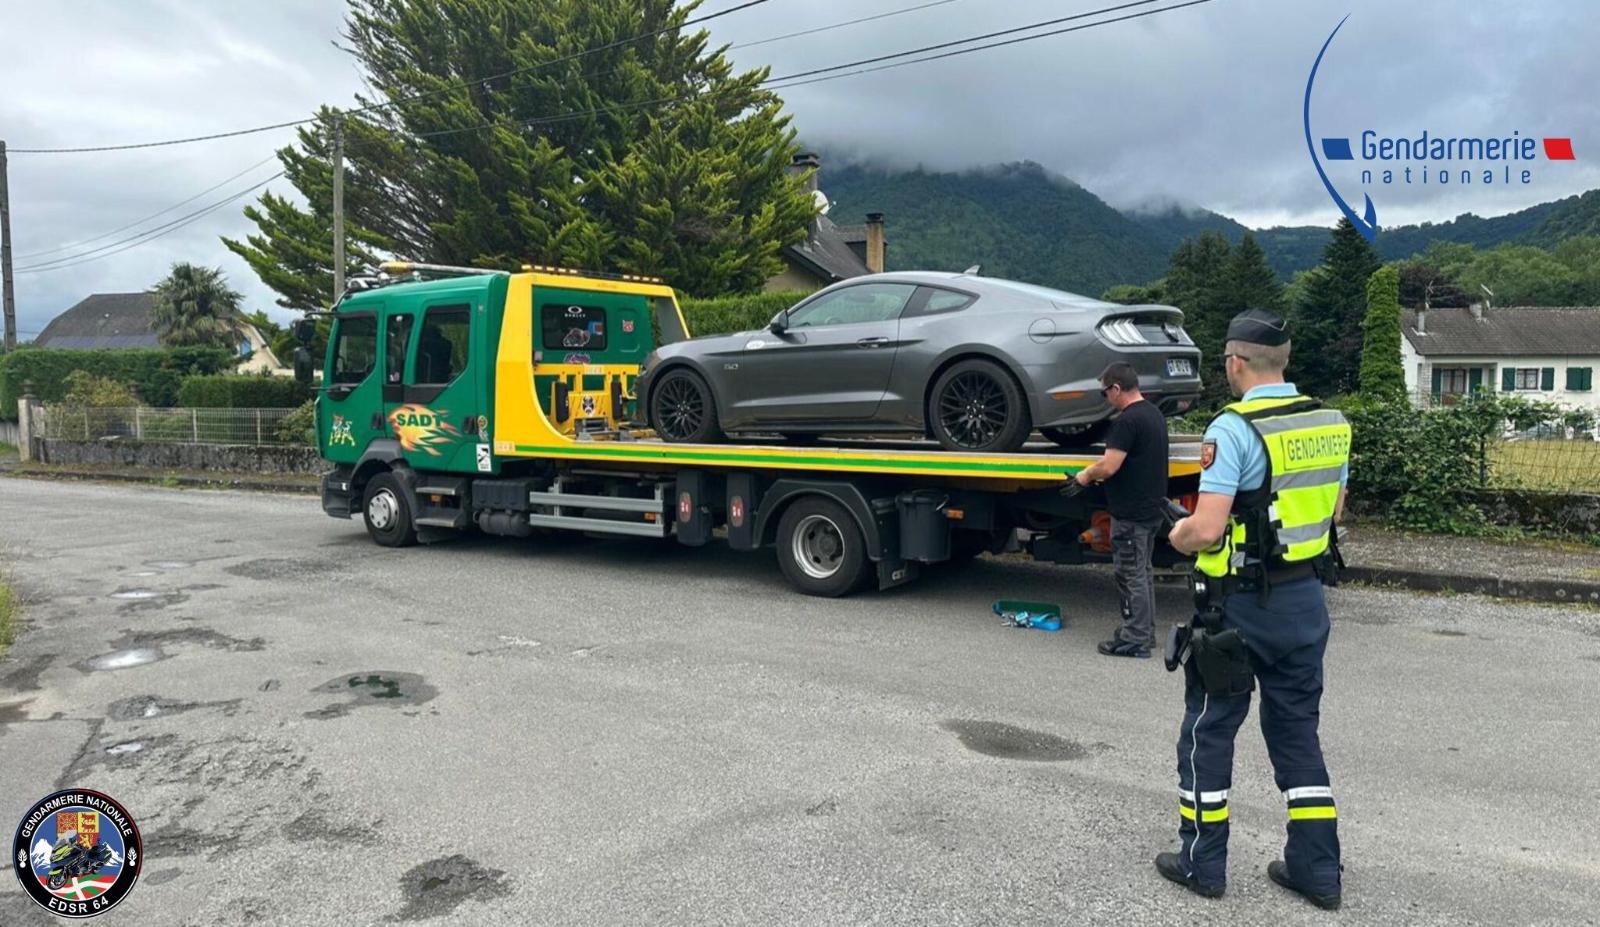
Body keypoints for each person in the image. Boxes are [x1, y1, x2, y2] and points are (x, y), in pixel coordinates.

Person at [1159, 308, 1351, 910]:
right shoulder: (1331, 422)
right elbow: (1334, 514)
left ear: (1235, 363)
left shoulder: (1233, 428)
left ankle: (1201, 864)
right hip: (1305, 603)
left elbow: (1209, 529)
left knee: (1210, 728)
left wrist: (1179, 534)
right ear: (1285, 360)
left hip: (1238, 611)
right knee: (1298, 735)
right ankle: (1317, 872)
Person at [1073, 362, 1170, 659]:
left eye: (1105, 393)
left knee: (1130, 574)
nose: (1105, 399)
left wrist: (1085, 475)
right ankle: (1144, 632)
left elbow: (1110, 466)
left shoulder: (1126, 422)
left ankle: (1135, 639)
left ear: (1116, 389)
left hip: (1131, 513)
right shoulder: (1153, 414)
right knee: (1142, 571)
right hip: (1151, 508)